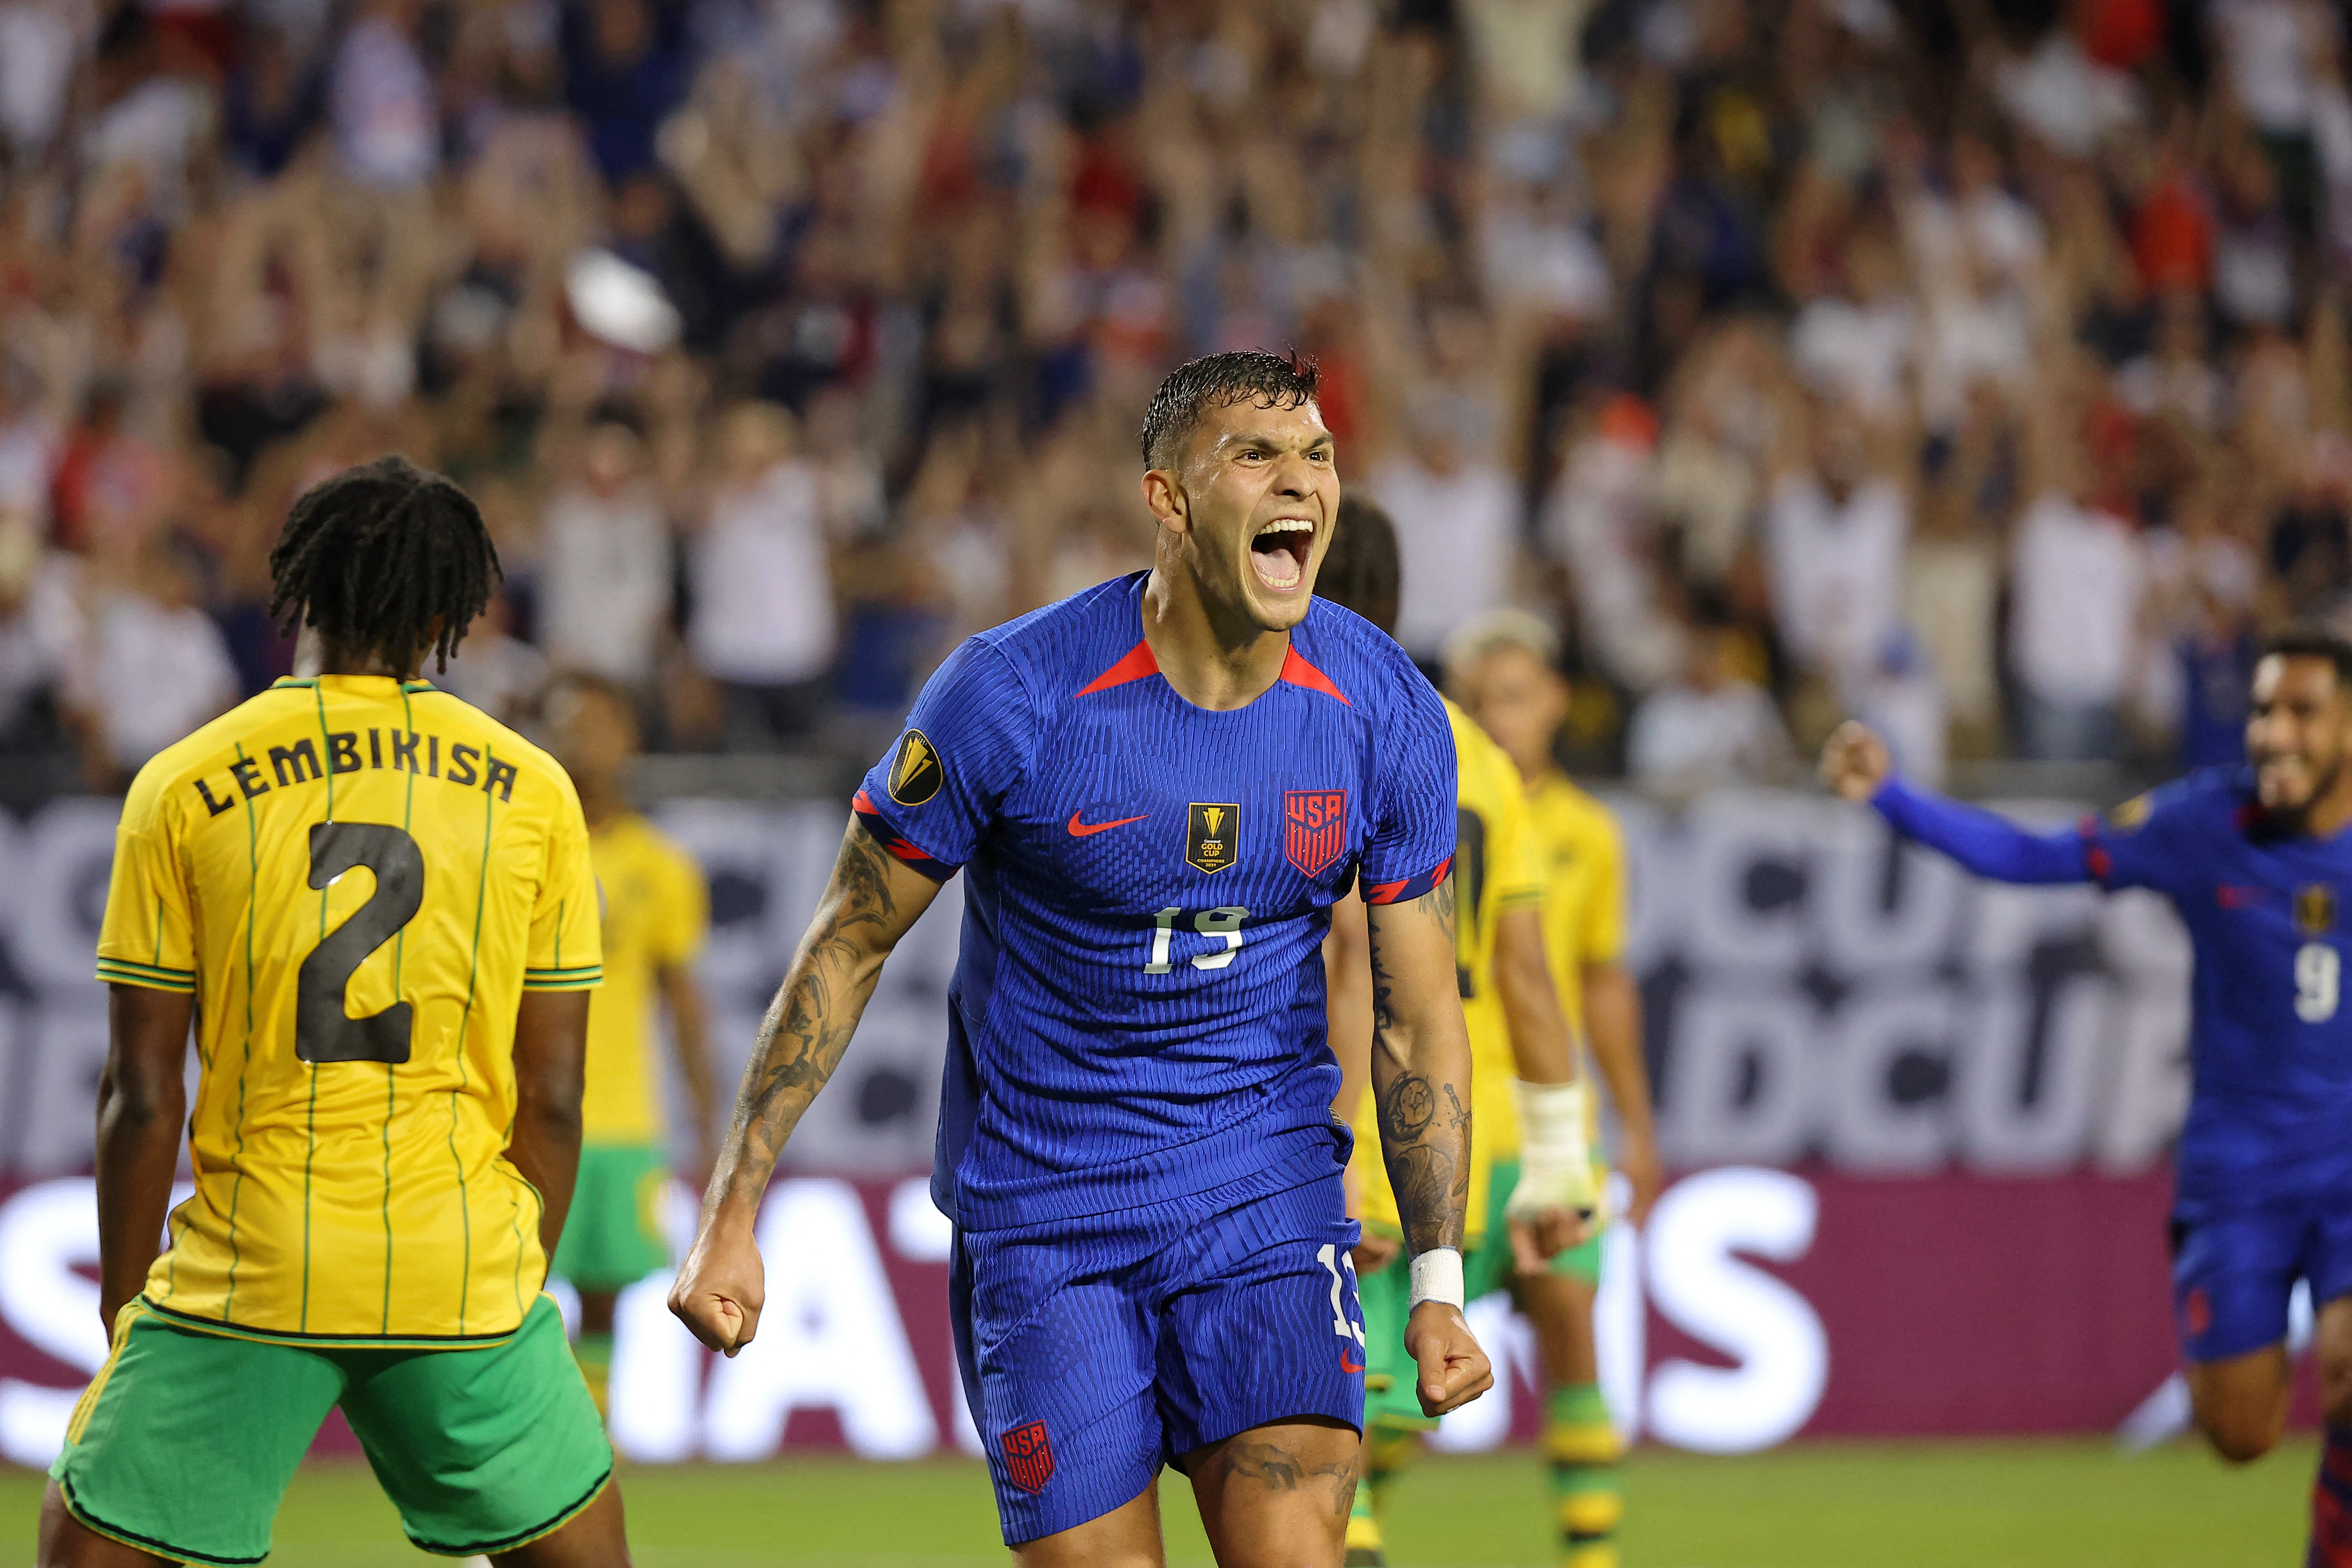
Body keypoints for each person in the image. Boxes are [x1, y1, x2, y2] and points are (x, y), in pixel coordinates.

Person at [669, 351, 1490, 1566]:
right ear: (1166, 498)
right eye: (1255, 455)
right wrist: (732, 1208)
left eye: (1315, 455)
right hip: (1049, 1214)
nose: (1301, 483)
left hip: (1263, 1194)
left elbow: (1420, 1017)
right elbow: (850, 937)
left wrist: (1437, 1278)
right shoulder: (1013, 693)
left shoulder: (1385, 710)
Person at [40, 456, 629, 1568]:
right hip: (456, 1262)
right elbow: (551, 1093)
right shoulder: (534, 790)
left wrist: (127, 1322)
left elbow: (144, 1090)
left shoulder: (182, 782)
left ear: (296, 588)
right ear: (452, 614)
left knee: (85, 1543)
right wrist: (509, 1281)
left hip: (254, 1261)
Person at [1820, 627, 2352, 1567]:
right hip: (2239, 1172)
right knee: (2239, 1432)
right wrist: (1892, 795)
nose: (2274, 733)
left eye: (2302, 711)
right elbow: (2033, 860)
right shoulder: (2204, 824)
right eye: (2265, 710)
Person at [1311, 500, 1596, 1568]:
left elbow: (1350, 964)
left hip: (1346, 1115)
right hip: (1451, 1125)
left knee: (1322, 1423)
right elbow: (1525, 976)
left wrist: (1328, 1144)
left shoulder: (1315, 729)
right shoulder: (1472, 749)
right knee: (1378, 1414)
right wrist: (1559, 1159)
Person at [1446, 607, 1662, 1568]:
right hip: (1446, 1120)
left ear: (1555, 704)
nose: (1500, 718)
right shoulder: (1435, 811)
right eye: (1482, 699)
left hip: (1550, 1124)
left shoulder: (1588, 832)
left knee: (1572, 1322)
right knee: (1403, 1391)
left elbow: (1601, 984)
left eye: (1517, 697)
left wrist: (1638, 1128)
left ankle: (1593, 1555)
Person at [541, 670, 717, 1415]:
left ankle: (591, 1434)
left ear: (629, 739)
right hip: (524, 1112)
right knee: (508, 1294)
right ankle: (521, 1443)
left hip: (621, 1120)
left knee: (604, 1297)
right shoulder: (525, 849)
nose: (585, 740)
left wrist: (712, 1121)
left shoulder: (659, 866)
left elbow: (681, 1004)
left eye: (600, 724)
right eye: (569, 723)